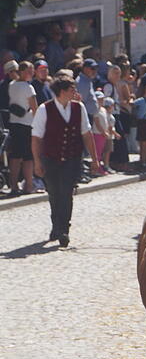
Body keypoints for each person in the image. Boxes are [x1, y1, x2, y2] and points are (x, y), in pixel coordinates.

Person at [31, 76, 101, 247]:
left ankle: (64, 229)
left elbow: (86, 134)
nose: (75, 92)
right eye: (71, 89)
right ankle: (56, 224)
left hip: (72, 157)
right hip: (51, 158)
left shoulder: (79, 108)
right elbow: (36, 138)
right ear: (61, 91)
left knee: (67, 192)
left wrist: (94, 158)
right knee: (54, 193)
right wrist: (37, 162)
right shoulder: (44, 109)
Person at [4, 61, 38, 196]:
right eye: (29, 71)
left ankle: (14, 186)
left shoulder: (12, 85)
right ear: (22, 71)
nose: (31, 73)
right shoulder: (28, 88)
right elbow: (34, 108)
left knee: (15, 155)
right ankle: (28, 186)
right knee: (28, 157)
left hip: (14, 123)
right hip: (27, 124)